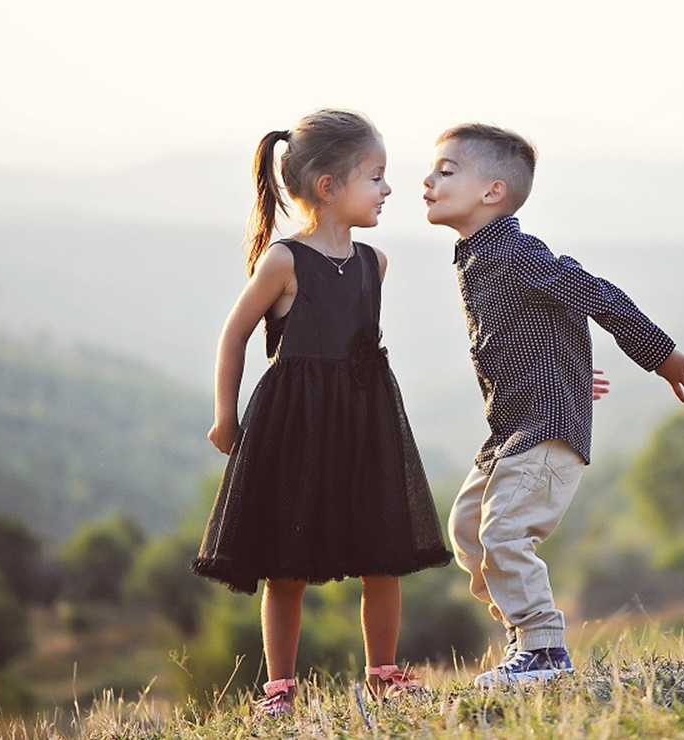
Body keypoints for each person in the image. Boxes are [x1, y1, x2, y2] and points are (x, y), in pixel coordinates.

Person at [421, 122, 684, 687]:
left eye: (445, 171)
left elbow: (594, 293)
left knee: (504, 533)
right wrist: (567, 372)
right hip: (511, 427)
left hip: (545, 431)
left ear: (492, 192)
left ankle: (544, 648)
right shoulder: (476, 256)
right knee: (469, 532)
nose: (427, 182)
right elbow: (530, 330)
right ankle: (525, 639)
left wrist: (659, 353)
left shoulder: (518, 253)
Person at [191, 108, 452, 716]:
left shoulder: (373, 264)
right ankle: (280, 686)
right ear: (329, 187)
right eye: (376, 177)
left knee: (382, 552)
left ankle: (384, 672)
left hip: (365, 425)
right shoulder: (284, 261)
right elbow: (234, 336)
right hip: (295, 427)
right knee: (288, 563)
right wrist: (224, 417)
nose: (389, 190)